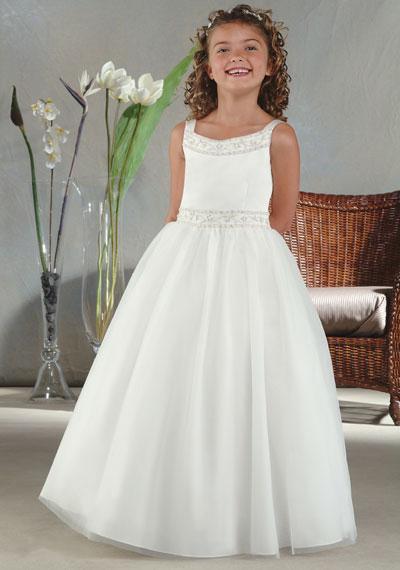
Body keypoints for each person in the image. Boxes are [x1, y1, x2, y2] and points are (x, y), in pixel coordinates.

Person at [38, 3, 358, 559]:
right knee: (172, 378)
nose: (237, 57)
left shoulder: (279, 137)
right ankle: (168, 505)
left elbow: (281, 217)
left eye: (251, 48)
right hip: (183, 264)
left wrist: (238, 254)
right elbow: (176, 209)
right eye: (223, 49)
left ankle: (241, 511)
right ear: (207, 67)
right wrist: (172, 272)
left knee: (245, 380)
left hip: (253, 269)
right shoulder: (183, 134)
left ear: (271, 65)